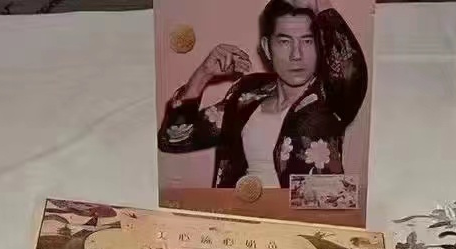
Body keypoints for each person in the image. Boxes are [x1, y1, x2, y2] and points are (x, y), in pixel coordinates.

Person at [157, 0, 367, 191]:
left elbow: (351, 71)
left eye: (307, 41)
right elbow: (173, 138)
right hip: (241, 215)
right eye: (285, 42)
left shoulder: (330, 95)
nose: (296, 55)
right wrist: (203, 74)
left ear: (320, 46)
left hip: (304, 218)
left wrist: (321, 5)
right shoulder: (247, 94)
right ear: (267, 48)